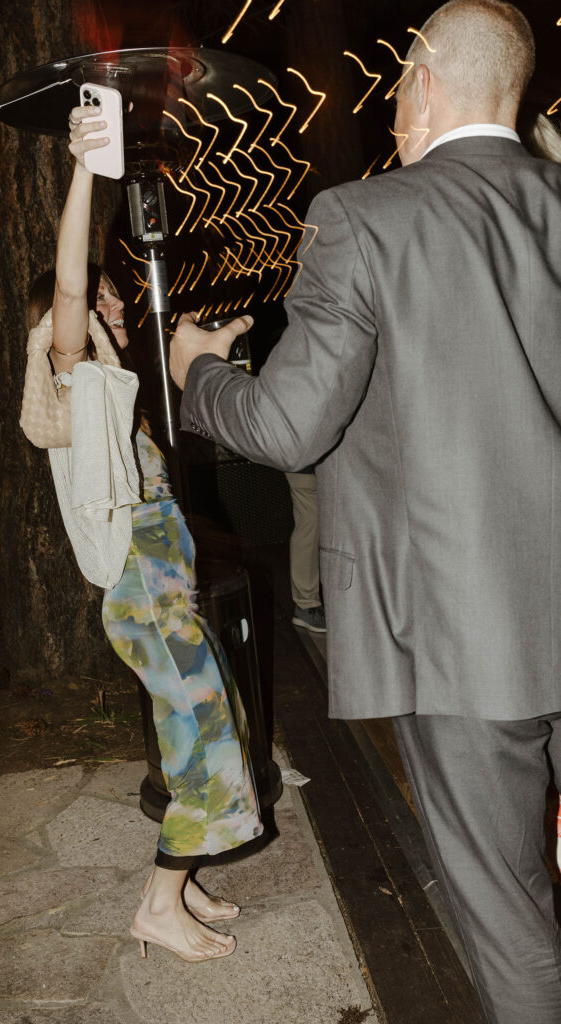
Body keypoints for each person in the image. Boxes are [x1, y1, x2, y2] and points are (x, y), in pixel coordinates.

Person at [169, 2, 561, 1020]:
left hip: (465, 634)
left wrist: (200, 375)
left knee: (508, 912)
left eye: (392, 94)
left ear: (423, 84)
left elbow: (291, 425)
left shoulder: (365, 217)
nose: (389, 117)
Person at [25, 105, 263, 964]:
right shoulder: (74, 376)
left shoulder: (115, 401)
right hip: (143, 599)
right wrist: (88, 168)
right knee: (205, 738)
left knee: (201, 726)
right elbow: (65, 286)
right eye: (106, 301)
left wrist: (218, 348)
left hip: (162, 595)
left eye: (119, 298)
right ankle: (158, 906)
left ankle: (184, 876)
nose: (116, 305)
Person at [285, 468, 326, 633]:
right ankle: (306, 605)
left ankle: (307, 604)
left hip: (310, 458)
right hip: (306, 461)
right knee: (310, 522)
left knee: (312, 522)